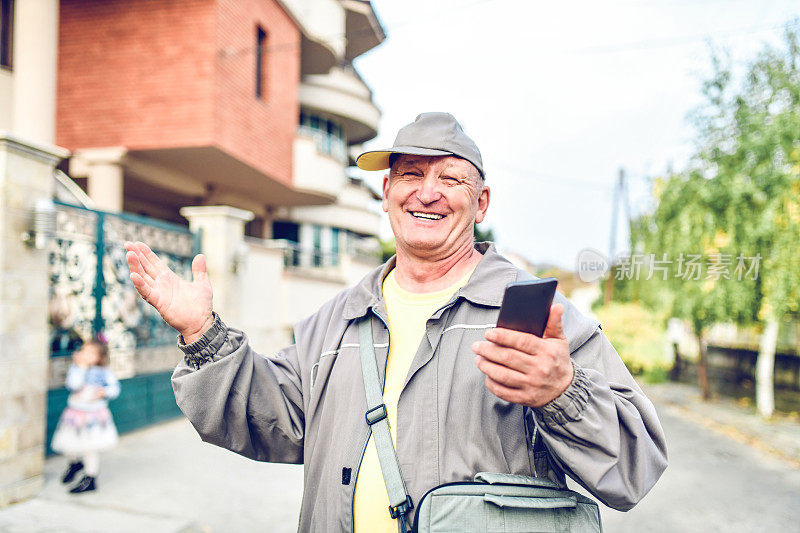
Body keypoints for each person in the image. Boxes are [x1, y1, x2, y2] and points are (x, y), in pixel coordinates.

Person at [125, 112, 667, 531]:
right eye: (410, 174)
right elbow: (276, 420)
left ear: (480, 203)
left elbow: (635, 465)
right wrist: (203, 335)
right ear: (386, 195)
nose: (427, 192)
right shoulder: (333, 321)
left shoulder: (535, 313)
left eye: (450, 179)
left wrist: (562, 393)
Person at [51, 333, 120, 494]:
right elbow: (73, 385)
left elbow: (115, 388)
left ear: (99, 357)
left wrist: (105, 392)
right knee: (71, 444)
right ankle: (75, 463)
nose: (85, 355)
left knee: (90, 447)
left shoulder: (104, 372)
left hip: (94, 417)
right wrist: (80, 368)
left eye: (90, 353)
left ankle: (90, 477)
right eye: (84, 351)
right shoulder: (76, 369)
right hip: (75, 415)